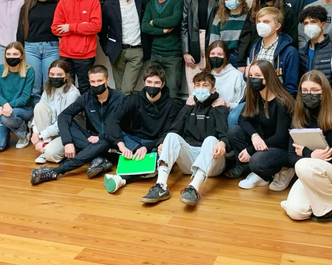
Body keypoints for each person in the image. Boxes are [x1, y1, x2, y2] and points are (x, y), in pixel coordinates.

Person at [140, 71, 230, 206]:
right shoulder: (188, 106)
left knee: (211, 139)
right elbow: (174, 129)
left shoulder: (218, 108)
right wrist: (161, 143)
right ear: (193, 88)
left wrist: (223, 143)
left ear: (213, 90)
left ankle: (193, 188)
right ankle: (161, 186)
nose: (200, 89)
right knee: (170, 136)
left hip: (213, 162)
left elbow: (225, 134)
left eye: (205, 85)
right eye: (197, 85)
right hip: (190, 161)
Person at [30, 65, 125, 183]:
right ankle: (99, 158)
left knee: (104, 142)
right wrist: (68, 142)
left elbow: (123, 126)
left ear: (107, 80)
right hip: (89, 140)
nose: (96, 85)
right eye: (93, 81)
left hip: (111, 141)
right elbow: (63, 116)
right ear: (89, 82)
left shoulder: (120, 98)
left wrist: (101, 137)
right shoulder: (86, 97)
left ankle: (56, 171)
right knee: (69, 122)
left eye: (100, 81)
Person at [282, 70, 332, 222]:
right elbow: (290, 157)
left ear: (324, 92)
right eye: (305, 91)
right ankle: (328, 202)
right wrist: (312, 156)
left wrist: (308, 154)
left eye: (315, 90)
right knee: (296, 212)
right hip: (309, 173)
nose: (309, 94)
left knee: (303, 164)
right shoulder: (298, 118)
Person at [102, 65, 183, 193]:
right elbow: (112, 120)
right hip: (132, 140)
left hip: (154, 143)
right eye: (149, 82)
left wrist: (147, 147)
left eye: (157, 83)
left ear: (163, 85)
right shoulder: (133, 99)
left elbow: (167, 133)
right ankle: (146, 169)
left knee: (165, 149)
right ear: (144, 82)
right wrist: (122, 145)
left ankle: (121, 178)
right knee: (109, 132)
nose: (152, 86)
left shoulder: (171, 106)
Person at [228, 60, 294, 191]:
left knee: (256, 160)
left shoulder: (282, 102)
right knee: (234, 131)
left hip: (283, 147)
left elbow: (280, 137)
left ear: (268, 77)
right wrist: (254, 136)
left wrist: (251, 150)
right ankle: (263, 174)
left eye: (258, 76)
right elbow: (243, 119)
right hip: (264, 142)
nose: (253, 79)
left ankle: (285, 169)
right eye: (251, 75)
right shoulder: (255, 95)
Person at [52, 0, 102, 94]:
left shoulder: (93, 1)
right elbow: (56, 29)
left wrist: (70, 27)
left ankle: (85, 114)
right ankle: (69, 114)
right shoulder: (63, 2)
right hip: (66, 53)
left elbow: (96, 26)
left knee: (86, 88)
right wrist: (83, 26)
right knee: (66, 88)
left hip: (86, 55)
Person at [100, 0, 150, 95]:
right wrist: (107, 48)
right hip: (117, 51)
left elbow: (159, 4)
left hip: (137, 51)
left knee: (127, 89)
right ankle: (123, 113)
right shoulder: (109, 5)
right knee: (118, 89)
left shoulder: (143, 1)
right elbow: (103, 30)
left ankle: (124, 113)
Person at [238, 0, 299, 69]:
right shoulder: (254, 10)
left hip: (278, 57)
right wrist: (241, 61)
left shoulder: (287, 11)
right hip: (255, 54)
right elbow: (246, 36)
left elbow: (292, 37)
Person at [142, 0, 184, 99]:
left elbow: (174, 20)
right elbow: (144, 26)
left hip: (173, 56)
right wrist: (162, 30)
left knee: (173, 92)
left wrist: (154, 22)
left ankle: (174, 119)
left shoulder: (177, 1)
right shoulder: (150, 5)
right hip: (155, 55)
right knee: (154, 92)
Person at [30, 59, 81, 164]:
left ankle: (47, 149)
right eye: (52, 74)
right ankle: (46, 145)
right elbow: (39, 114)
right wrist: (35, 132)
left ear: (66, 76)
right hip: (51, 130)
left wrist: (40, 136)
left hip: (68, 131)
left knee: (50, 154)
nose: (55, 77)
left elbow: (63, 122)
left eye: (59, 74)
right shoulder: (48, 89)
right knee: (39, 106)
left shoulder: (73, 93)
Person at [17, 0, 59, 101]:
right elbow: (21, 28)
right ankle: (36, 114)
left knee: (51, 82)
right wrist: (20, 49)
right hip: (30, 48)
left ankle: (51, 113)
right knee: (33, 84)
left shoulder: (57, 5)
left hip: (51, 47)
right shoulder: (26, 7)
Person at [0, 42, 35, 152]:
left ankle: (24, 134)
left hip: (24, 109)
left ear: (21, 56)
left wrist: (7, 106)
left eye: (15, 54)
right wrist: (5, 105)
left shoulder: (29, 71)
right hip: (5, 109)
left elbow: (25, 97)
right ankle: (9, 130)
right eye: (8, 54)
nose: (11, 57)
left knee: (6, 117)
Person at [246, 6, 299, 95]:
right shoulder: (255, 49)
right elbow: (249, 80)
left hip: (278, 101)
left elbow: (291, 87)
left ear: (277, 26)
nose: (261, 25)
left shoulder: (289, 52)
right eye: (259, 22)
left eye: (266, 22)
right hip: (256, 99)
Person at [182, 0, 220, 87]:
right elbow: (184, 25)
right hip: (194, 42)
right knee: (194, 83)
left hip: (212, 41)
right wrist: (185, 52)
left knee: (212, 82)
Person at [208, 0, 249, 68]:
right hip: (223, 58)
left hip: (242, 59)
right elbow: (213, 41)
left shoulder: (248, 17)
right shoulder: (219, 18)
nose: (230, 1)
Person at [298, 6, 332, 88]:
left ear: (323, 25)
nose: (309, 26)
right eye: (306, 23)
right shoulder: (301, 53)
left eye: (313, 22)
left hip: (328, 96)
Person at [205, 41, 246, 111]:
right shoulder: (204, 75)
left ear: (226, 57)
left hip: (228, 114)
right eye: (212, 54)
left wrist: (227, 104)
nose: (216, 57)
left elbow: (242, 104)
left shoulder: (237, 76)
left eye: (220, 54)